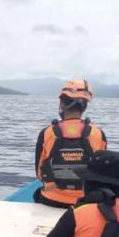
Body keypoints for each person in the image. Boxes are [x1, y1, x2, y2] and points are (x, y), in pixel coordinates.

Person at [35, 79, 107, 208]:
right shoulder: (98, 133)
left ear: (62, 104)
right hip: (85, 201)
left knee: (36, 194)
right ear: (84, 106)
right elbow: (102, 171)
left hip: (52, 199)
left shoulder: (47, 132)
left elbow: (40, 174)